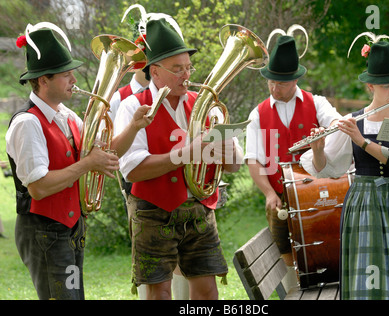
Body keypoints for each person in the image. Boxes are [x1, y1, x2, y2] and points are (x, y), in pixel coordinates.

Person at [6, 23, 153, 300]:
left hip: (69, 227)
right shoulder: (27, 123)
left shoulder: (67, 116)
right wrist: (87, 164)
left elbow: (107, 153)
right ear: (43, 80)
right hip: (44, 230)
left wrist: (134, 126)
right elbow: (38, 187)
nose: (73, 80)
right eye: (66, 75)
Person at [114, 17, 242, 300]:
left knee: (208, 290)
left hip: (198, 210)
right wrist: (188, 153)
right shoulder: (132, 106)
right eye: (177, 69)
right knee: (159, 292)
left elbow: (234, 165)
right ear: (155, 72)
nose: (187, 75)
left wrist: (228, 149)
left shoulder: (202, 104)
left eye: (188, 67)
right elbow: (132, 170)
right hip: (152, 211)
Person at [301, 34, 389, 299]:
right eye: (388, 87)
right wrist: (317, 150)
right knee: (367, 277)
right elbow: (328, 169)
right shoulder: (352, 121)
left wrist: (362, 142)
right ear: (371, 86)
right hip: (364, 203)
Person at [244, 30, 342, 290]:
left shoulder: (317, 103)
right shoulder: (258, 114)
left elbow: (336, 124)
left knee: (322, 251)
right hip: (279, 196)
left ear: (296, 79)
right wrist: (267, 193)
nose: (275, 88)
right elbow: (253, 160)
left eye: (282, 83)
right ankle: (291, 294)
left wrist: (322, 140)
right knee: (285, 253)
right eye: (271, 82)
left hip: (317, 194)